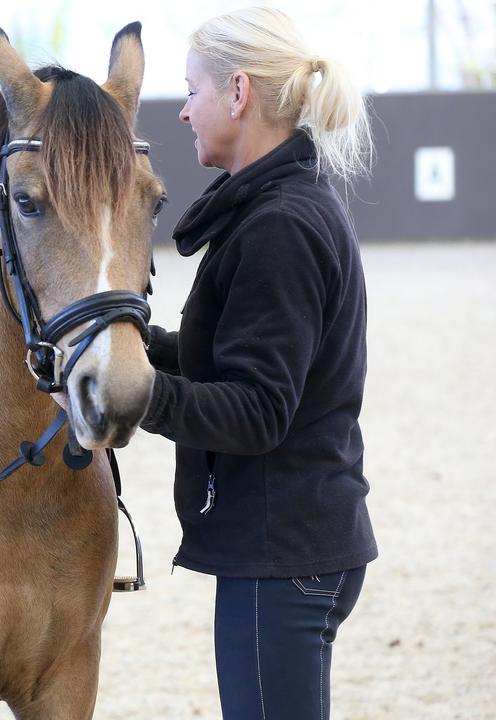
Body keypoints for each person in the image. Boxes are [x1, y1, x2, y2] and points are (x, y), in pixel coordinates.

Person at [140, 7, 377, 719]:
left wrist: (132, 392)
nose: (184, 113)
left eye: (192, 90)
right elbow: (236, 357)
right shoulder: (279, 206)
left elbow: (258, 408)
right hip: (295, 541)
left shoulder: (280, 225)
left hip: (285, 551)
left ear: (238, 93)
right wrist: (133, 343)